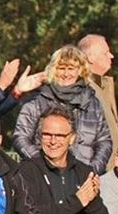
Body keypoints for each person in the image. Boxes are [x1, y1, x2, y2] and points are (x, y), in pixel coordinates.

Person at [15, 105, 110, 214]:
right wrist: (77, 201)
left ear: (71, 138)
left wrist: (91, 200)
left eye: (60, 135)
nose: (53, 141)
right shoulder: (26, 172)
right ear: (39, 136)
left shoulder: (84, 171)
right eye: (47, 135)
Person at [13, 45, 112, 174]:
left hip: (85, 175)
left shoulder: (92, 102)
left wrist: (92, 170)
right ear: (53, 70)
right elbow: (20, 138)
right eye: (61, 68)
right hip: (44, 176)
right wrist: (43, 164)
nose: (66, 74)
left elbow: (104, 141)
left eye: (71, 69)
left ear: (80, 70)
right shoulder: (38, 100)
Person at [78, 34, 118, 167]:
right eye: (106, 53)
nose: (111, 56)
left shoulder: (102, 86)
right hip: (97, 172)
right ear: (90, 58)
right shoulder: (83, 89)